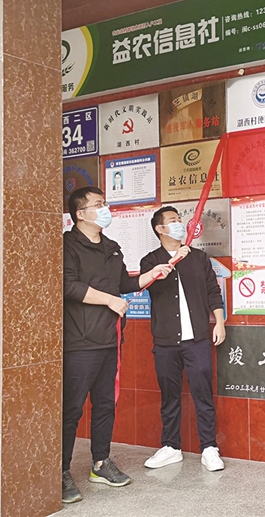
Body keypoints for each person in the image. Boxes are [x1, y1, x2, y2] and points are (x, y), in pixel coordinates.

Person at [62, 187, 172, 503]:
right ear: (80, 214)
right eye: (98, 205)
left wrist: (152, 274)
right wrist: (110, 300)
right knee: (71, 409)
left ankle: (100, 462)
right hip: (79, 341)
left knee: (105, 406)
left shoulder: (111, 248)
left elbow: (124, 284)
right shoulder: (67, 245)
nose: (105, 209)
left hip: (110, 340)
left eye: (105, 203)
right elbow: (67, 285)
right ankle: (60, 471)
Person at [140, 206, 227, 472]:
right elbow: (152, 286)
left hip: (197, 339)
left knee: (203, 393)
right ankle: (171, 447)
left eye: (180, 219)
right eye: (173, 221)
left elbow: (213, 291)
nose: (179, 224)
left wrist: (219, 322)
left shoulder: (199, 258)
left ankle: (209, 448)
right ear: (160, 229)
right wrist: (173, 260)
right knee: (170, 396)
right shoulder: (150, 261)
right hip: (166, 340)